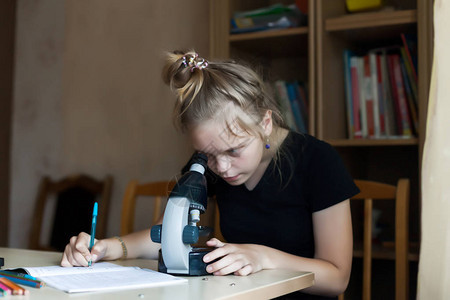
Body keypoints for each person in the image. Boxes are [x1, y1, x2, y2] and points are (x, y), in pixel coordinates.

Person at [61, 50, 359, 299]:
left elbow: (337, 278)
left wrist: (262, 257)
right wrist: (109, 248)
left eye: (234, 151)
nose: (222, 168)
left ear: (266, 122)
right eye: (210, 155)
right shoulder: (208, 163)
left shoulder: (318, 161)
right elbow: (169, 236)